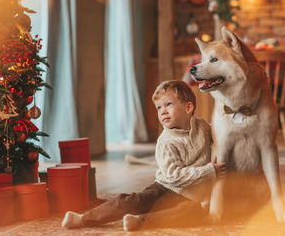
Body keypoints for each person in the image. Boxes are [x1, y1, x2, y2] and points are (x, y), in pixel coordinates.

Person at [61, 80, 226, 231]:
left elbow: (221, 134)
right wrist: (208, 170)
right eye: (159, 108)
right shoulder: (166, 141)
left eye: (168, 104)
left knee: (191, 213)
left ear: (188, 108)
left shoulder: (203, 128)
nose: (162, 112)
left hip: (191, 196)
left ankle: (140, 222)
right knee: (132, 201)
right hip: (166, 188)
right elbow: (174, 175)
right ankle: (82, 219)